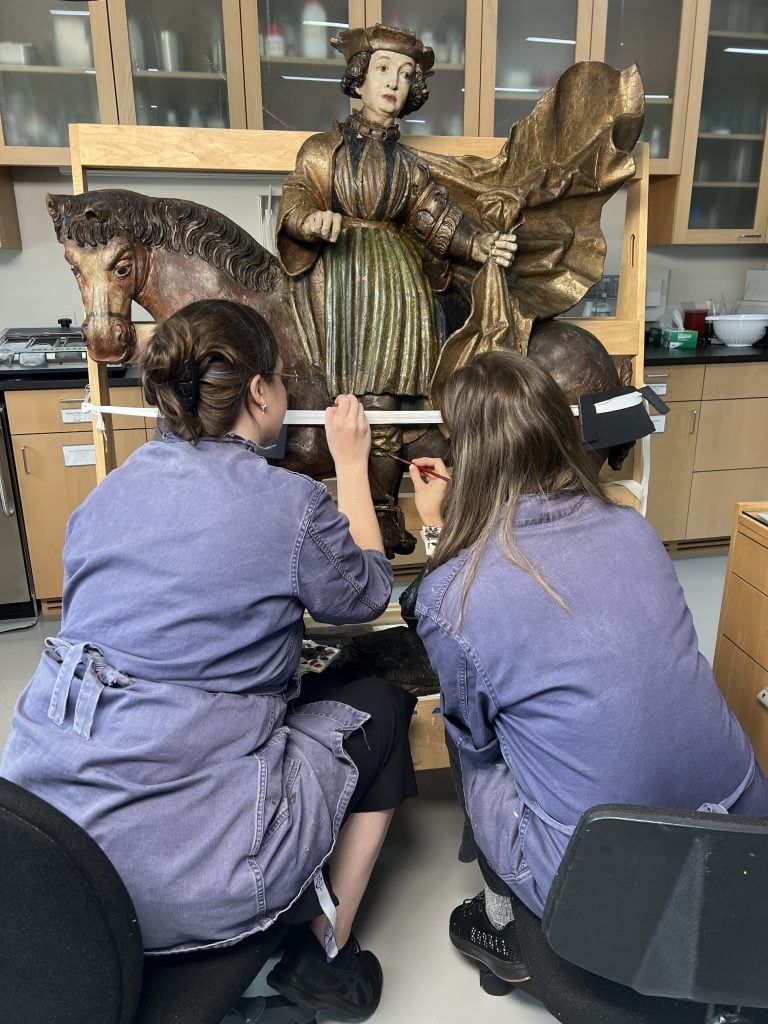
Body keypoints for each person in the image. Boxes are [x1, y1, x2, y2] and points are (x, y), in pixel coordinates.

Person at [0, 298, 418, 1022]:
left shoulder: (104, 497)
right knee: (383, 702)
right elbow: (364, 593)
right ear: (259, 391)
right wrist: (353, 463)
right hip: (195, 879)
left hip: (48, 864)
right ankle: (324, 949)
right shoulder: (289, 502)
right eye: (284, 381)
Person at [407, 349, 768, 986]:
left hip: (604, 873)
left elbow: (480, 736)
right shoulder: (633, 530)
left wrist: (439, 535)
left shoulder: (455, 595)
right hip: (742, 824)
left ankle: (500, 918)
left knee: (473, 746)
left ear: (463, 459)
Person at [276, 23, 518, 551]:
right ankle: (348, 513)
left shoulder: (408, 165)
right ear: (359, 81)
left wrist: (480, 246)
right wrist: (310, 221)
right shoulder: (323, 151)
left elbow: (435, 218)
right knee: (340, 392)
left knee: (385, 397)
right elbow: (295, 200)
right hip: (339, 281)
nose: (395, 83)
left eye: (406, 75)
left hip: (396, 285)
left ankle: (382, 509)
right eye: (384, 70)